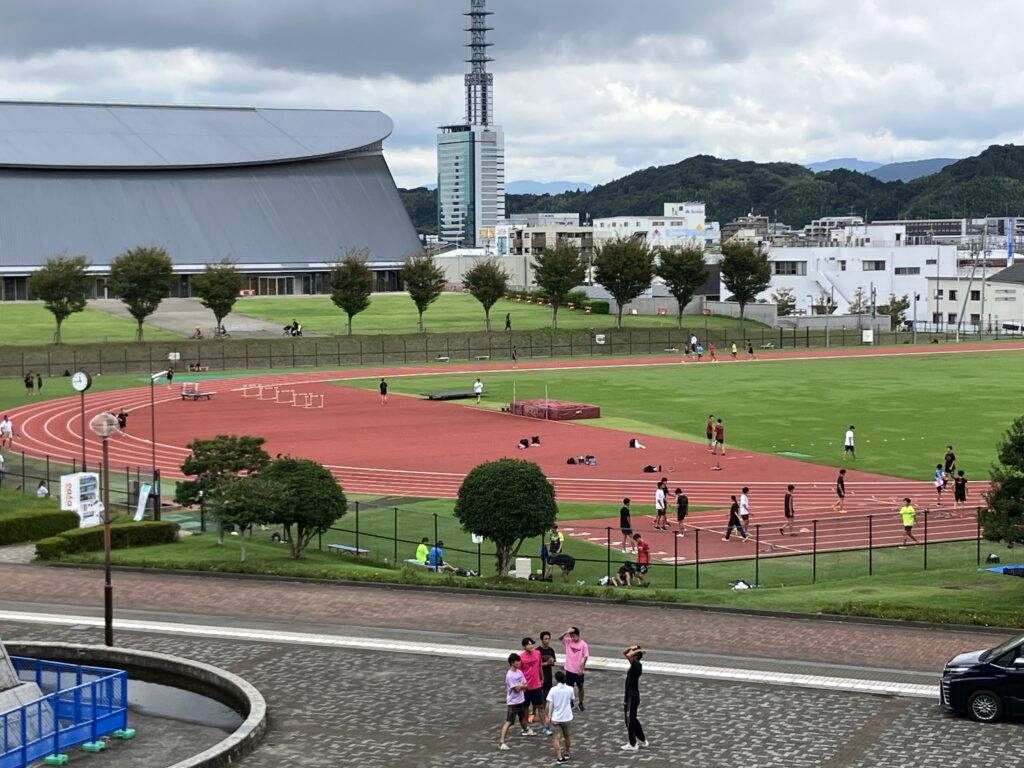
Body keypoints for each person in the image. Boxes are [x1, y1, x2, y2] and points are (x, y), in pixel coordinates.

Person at [498, 653, 533, 750]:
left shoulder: (520, 672)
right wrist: (522, 686)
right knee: (509, 721)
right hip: (513, 702)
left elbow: (526, 684)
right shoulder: (510, 675)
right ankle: (501, 742)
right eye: (517, 661)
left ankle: (526, 729)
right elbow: (516, 689)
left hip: (521, 699)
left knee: (522, 717)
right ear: (512, 663)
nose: (519, 662)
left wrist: (522, 686)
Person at [519, 638, 551, 735]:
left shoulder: (537, 653)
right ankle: (526, 726)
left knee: (540, 706)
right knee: (525, 707)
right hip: (526, 687)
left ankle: (545, 727)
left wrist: (542, 678)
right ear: (524, 646)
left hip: (536, 685)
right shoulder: (521, 657)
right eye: (528, 644)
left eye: (532, 644)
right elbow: (519, 672)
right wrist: (521, 686)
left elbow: (539, 666)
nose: (531, 646)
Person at [621, 644, 648, 751]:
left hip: (631, 697)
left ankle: (633, 744)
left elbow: (628, 655)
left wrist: (638, 650)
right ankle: (642, 740)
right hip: (631, 696)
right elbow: (625, 653)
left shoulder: (636, 664)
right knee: (633, 719)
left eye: (633, 652)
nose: (630, 653)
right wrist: (632, 648)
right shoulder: (636, 664)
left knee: (629, 721)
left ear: (635, 656)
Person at [546, 670, 574, 764]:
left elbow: (550, 704)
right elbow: (572, 699)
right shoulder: (570, 689)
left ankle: (559, 757)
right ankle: (567, 753)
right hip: (567, 716)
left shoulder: (553, 690)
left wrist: (549, 716)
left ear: (556, 679)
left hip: (556, 717)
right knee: (567, 736)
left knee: (556, 738)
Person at [559, 627, 589, 711]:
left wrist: (581, 668)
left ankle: (581, 702)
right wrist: (566, 632)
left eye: (574, 636)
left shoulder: (583, 644)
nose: (572, 638)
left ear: (578, 635)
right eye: (571, 636)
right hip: (569, 669)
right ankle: (570, 702)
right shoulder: (568, 641)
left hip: (578, 670)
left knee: (580, 686)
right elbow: (560, 638)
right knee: (569, 687)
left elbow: (585, 657)